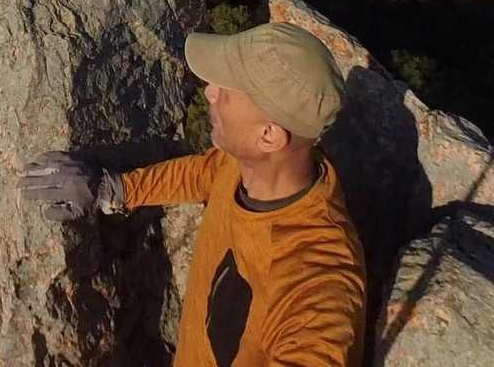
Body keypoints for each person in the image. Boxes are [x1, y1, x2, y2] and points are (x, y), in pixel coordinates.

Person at [20, 22, 365, 367]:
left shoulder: (316, 276)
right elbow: (202, 173)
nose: (209, 92)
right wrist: (113, 189)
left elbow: (318, 341)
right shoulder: (248, 167)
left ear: (269, 136)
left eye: (227, 90)